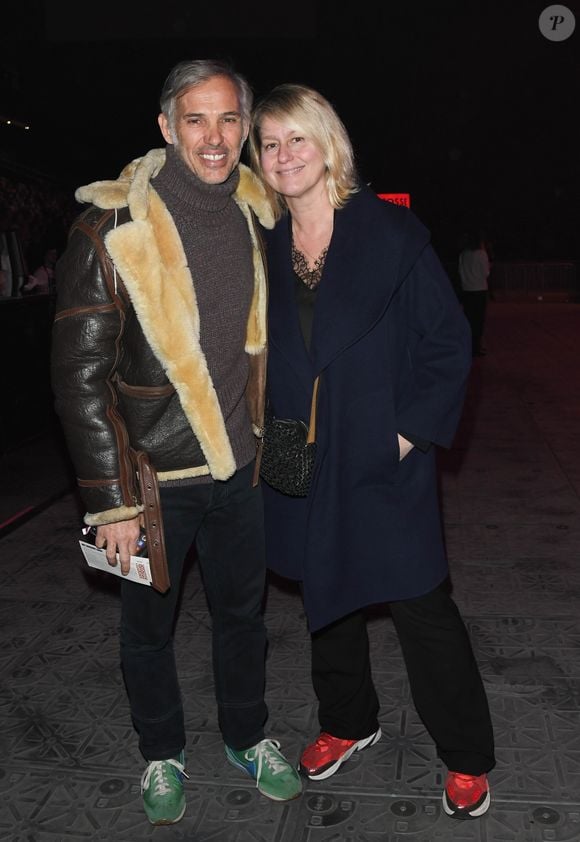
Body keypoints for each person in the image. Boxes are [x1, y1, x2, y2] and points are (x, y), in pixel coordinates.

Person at [51, 59, 302, 827]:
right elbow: (78, 378)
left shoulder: (262, 218)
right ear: (166, 127)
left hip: (243, 467)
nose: (215, 136)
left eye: (229, 119)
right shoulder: (111, 230)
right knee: (146, 631)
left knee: (244, 618)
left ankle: (248, 735)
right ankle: (160, 750)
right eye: (196, 119)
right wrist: (111, 502)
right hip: (150, 478)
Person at [248, 83, 496, 820]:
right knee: (325, 591)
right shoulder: (261, 245)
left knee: (419, 599)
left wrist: (409, 432)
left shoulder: (391, 235)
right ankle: (348, 719)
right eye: (270, 142)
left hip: (382, 448)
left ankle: (467, 754)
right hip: (296, 445)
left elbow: (450, 342)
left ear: (329, 146)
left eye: (299, 138)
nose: (285, 154)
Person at [458, 231, 491, 356]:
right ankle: (476, 346)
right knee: (479, 320)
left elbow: (460, 273)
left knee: (468, 318)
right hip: (480, 290)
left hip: (467, 290)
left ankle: (468, 344)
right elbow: (486, 273)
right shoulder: (482, 254)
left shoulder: (463, 254)